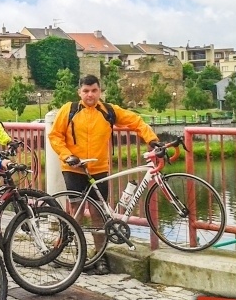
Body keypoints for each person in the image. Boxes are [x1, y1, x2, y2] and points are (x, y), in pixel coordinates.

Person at [48, 74, 159, 275]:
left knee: (99, 213)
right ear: (79, 92)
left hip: (98, 168)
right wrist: (67, 155)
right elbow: (55, 135)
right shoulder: (69, 110)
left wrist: (151, 139)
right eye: (86, 91)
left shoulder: (109, 111)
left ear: (100, 91)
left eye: (94, 90)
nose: (90, 95)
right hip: (74, 167)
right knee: (75, 210)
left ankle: (100, 256)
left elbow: (136, 121)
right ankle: (59, 250)